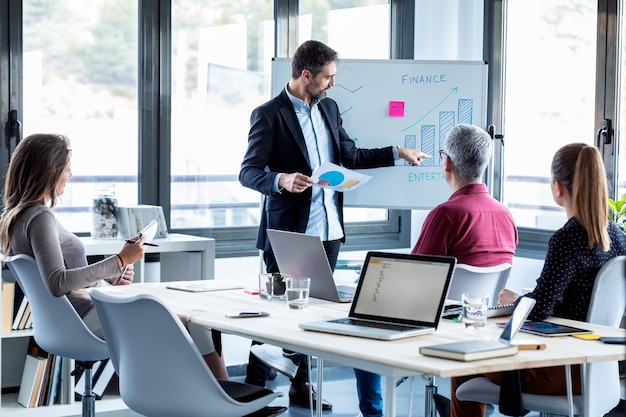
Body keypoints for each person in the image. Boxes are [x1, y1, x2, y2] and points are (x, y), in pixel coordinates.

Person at [239, 39, 430, 411]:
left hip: (329, 230)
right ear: (306, 75)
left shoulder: (329, 109)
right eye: (328, 77)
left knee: (318, 313)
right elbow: (248, 172)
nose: (332, 84)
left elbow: (350, 155)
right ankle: (253, 394)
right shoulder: (268, 114)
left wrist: (397, 153)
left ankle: (300, 386)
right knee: (276, 313)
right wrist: (280, 180)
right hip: (289, 234)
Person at [0, 134, 234, 379]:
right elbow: (58, 283)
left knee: (182, 317)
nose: (70, 175)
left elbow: (59, 279)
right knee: (198, 324)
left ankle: (213, 398)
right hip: (86, 322)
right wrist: (120, 260)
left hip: (69, 322)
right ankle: (225, 399)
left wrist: (108, 278)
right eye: (66, 169)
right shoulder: (40, 218)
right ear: (48, 171)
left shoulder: (16, 219)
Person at [447, 142, 626, 417]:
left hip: (559, 369)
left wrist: (517, 300)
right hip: (601, 367)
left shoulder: (567, 239)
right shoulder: (616, 236)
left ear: (558, 188)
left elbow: (540, 309)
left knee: (463, 358)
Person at [353, 123, 519, 417]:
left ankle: (374, 414)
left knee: (359, 329)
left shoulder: (446, 214)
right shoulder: (505, 215)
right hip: (477, 325)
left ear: (447, 163)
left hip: (436, 323)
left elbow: (413, 279)